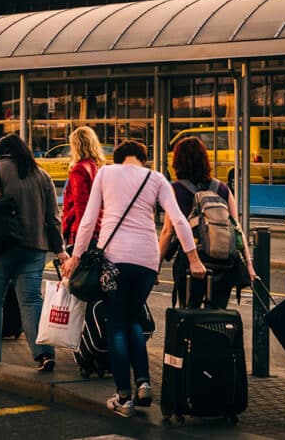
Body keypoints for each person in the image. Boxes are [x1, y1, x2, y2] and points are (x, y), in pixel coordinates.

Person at [62, 140, 203, 417]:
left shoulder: (106, 173)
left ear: (118, 157)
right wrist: (194, 258)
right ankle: (144, 383)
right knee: (133, 319)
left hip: (114, 260)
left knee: (116, 325)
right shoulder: (157, 178)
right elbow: (178, 220)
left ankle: (124, 396)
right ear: (143, 158)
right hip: (147, 262)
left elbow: (89, 220)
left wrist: (76, 257)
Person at [0, 134, 67, 371]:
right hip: (35, 249)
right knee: (31, 301)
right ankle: (44, 354)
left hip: (1, 248)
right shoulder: (42, 175)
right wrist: (59, 249)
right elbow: (53, 219)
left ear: (2, 151)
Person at [159, 136, 257, 309]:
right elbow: (236, 228)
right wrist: (249, 264)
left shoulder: (175, 190)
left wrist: (156, 266)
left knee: (188, 313)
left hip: (191, 263)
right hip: (223, 264)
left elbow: (168, 231)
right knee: (217, 315)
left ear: (178, 162)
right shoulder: (222, 189)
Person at [61, 126, 105, 248]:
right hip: (97, 225)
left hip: (79, 227)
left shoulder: (79, 169)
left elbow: (81, 205)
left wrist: (81, 237)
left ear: (77, 145)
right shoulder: (96, 167)